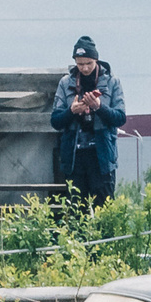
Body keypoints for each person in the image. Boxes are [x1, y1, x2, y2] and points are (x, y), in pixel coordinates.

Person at [49, 36, 126, 205]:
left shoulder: (112, 82)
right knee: (76, 212)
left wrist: (99, 107)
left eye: (88, 63)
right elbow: (55, 121)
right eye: (80, 63)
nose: (84, 68)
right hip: (75, 157)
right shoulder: (65, 83)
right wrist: (71, 111)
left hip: (102, 157)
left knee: (104, 211)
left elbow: (120, 118)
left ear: (96, 60)